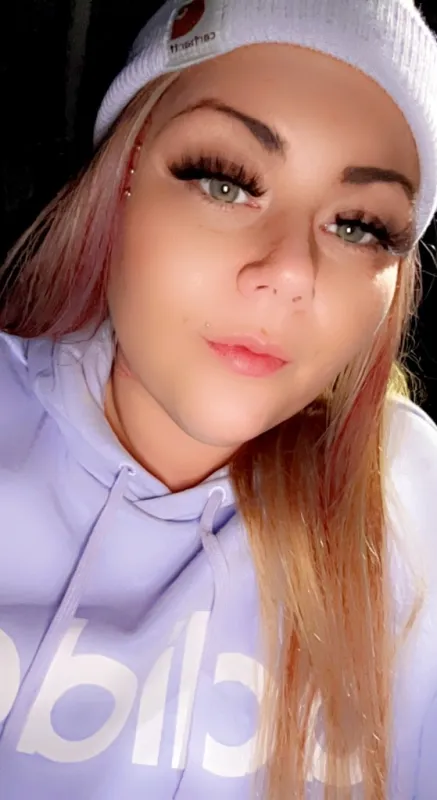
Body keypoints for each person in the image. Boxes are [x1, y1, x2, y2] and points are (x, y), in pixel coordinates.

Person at [0, 0, 437, 797]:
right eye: (224, 181)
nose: (291, 271)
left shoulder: (416, 512)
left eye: (358, 226)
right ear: (119, 182)